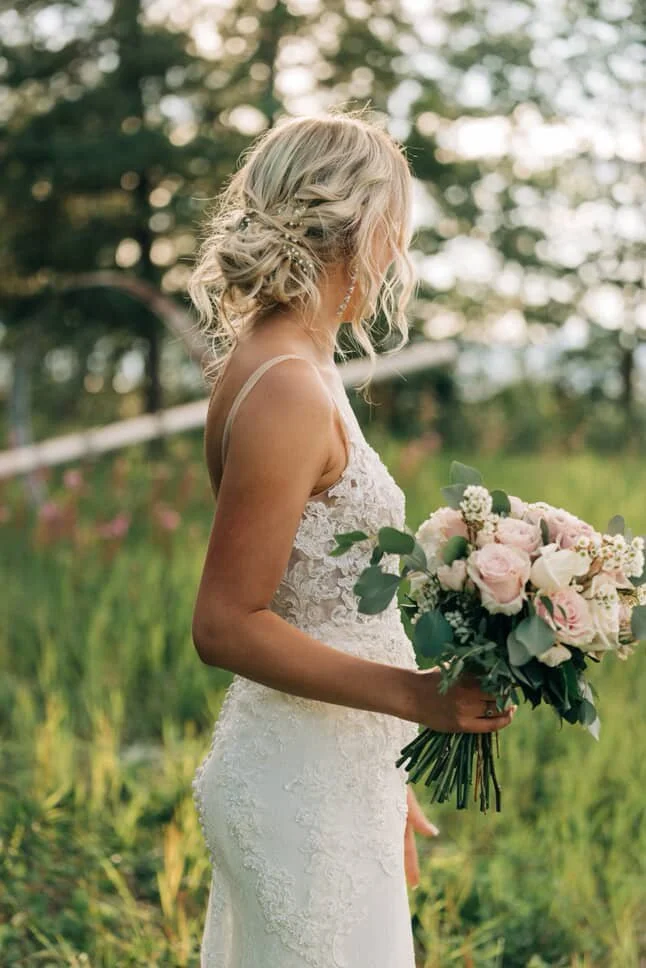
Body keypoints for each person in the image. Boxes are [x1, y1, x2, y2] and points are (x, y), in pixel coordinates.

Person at [188, 110, 515, 968]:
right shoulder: (287, 386)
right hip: (299, 790)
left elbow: (319, 605)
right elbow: (225, 623)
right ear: (363, 226)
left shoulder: (298, 362)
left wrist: (381, 770)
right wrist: (419, 699)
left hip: (333, 771)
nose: (400, 254)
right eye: (397, 228)